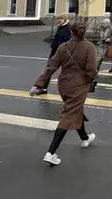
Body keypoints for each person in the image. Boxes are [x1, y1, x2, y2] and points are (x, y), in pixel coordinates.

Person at [31, 22, 98, 166]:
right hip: (79, 85)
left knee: (74, 109)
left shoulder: (63, 47)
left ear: (71, 32)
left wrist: (38, 85)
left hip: (63, 84)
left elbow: (51, 66)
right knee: (69, 114)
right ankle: (51, 152)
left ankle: (84, 137)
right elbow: (92, 69)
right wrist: (91, 80)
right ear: (84, 32)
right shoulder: (89, 47)